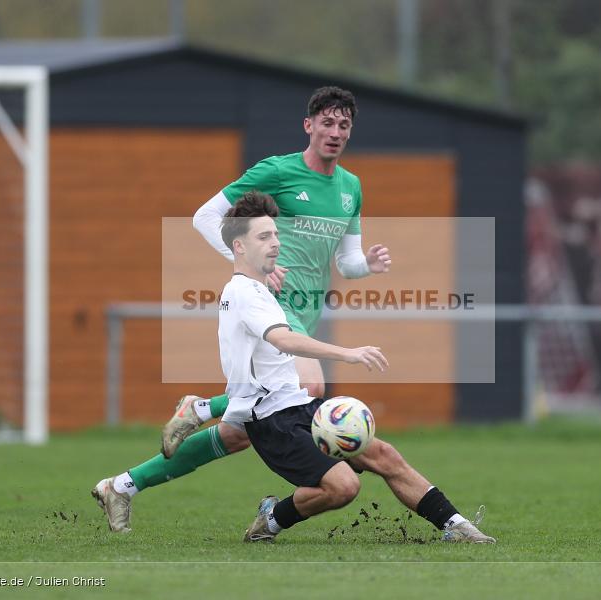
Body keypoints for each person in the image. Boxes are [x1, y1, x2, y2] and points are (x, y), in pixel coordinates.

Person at [93, 86, 391, 531]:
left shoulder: (351, 188)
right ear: (308, 126)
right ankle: (198, 408)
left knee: (237, 433)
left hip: (304, 315)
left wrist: (365, 265)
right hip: (269, 310)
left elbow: (346, 262)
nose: (335, 132)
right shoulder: (277, 170)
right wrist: (250, 263)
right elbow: (205, 217)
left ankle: (122, 486)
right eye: (326, 123)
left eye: (343, 125)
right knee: (308, 388)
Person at [218, 191, 493, 543]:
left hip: (297, 405)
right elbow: (283, 339)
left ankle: (456, 527)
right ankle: (272, 519)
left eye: (275, 234)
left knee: (383, 454)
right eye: (264, 236)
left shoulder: (255, 289)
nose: (275, 243)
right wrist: (347, 354)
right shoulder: (246, 293)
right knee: (344, 487)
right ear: (239, 247)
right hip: (272, 421)